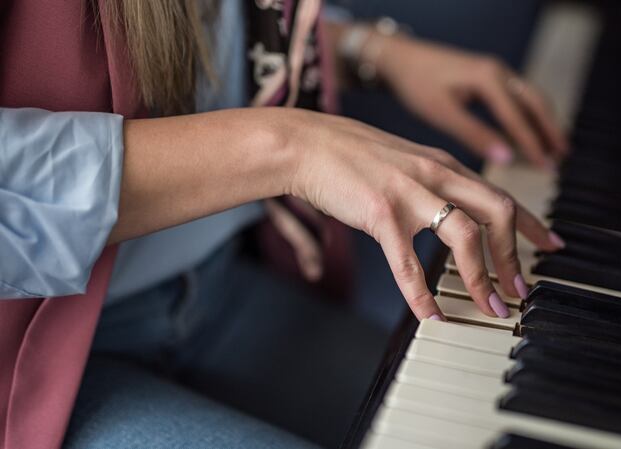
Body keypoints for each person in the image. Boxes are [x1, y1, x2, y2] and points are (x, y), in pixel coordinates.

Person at [0, 0, 566, 447]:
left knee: (489, 414)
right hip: (33, 355)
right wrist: (288, 147)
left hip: (215, 287)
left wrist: (368, 50)